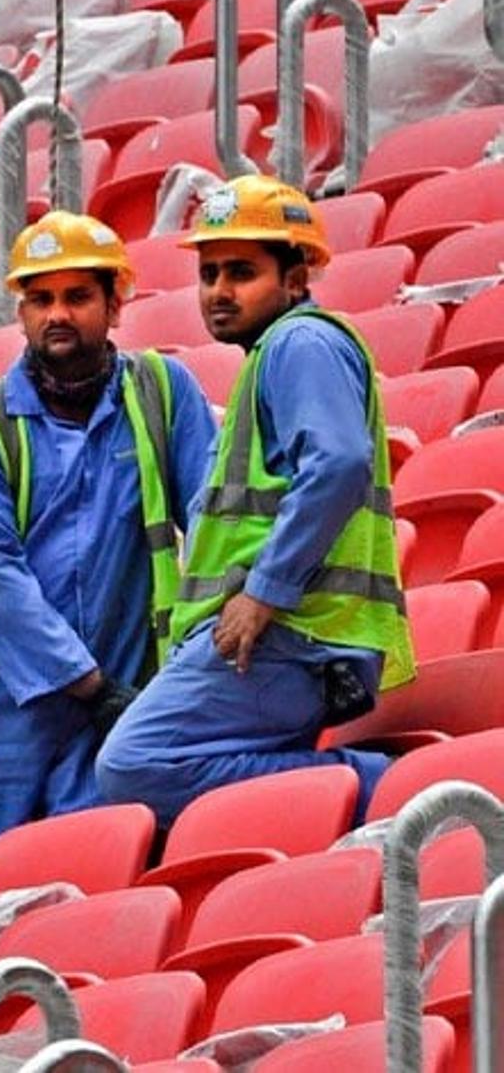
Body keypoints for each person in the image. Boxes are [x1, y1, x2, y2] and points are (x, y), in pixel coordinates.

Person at [0, 211, 217, 892]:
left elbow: (218, 521)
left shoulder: (165, 395)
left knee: (95, 883)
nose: (58, 315)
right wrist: (94, 687)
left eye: (77, 296)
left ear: (115, 302)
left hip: (117, 691)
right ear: (19, 311)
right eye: (41, 299)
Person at [96, 175, 416, 825]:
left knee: (133, 761)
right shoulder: (272, 356)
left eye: (241, 272)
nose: (218, 290)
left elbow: (339, 462)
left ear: (296, 279)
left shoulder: (302, 342)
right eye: (209, 273)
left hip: (291, 632)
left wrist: (265, 590)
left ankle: (369, 784)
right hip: (277, 635)